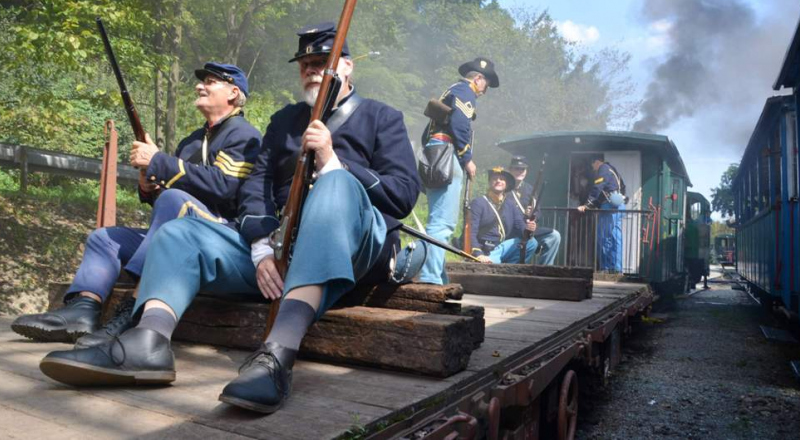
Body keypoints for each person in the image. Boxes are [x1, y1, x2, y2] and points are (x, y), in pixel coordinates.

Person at [38, 21, 421, 416]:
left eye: (321, 60)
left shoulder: (381, 117)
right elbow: (255, 188)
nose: (311, 69)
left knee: (336, 184)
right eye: (305, 63)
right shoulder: (284, 121)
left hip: (353, 248)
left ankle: (276, 354)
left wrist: (333, 161)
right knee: (179, 232)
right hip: (282, 250)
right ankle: (148, 342)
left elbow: (402, 195)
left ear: (347, 66)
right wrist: (260, 248)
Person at [12, 62, 261, 347]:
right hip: (180, 232)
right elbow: (166, 197)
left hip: (224, 236)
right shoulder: (191, 141)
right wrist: (148, 183)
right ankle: (82, 310)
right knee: (104, 238)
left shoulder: (245, 135)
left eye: (211, 81)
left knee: (173, 200)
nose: (199, 85)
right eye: (202, 80)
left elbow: (224, 187)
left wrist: (159, 162)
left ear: (232, 92)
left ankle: (131, 310)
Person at [417, 57, 499, 284]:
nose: (486, 90)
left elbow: (427, 134)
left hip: (435, 151)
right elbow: (460, 125)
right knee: (443, 223)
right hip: (447, 153)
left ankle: (437, 274)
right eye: (486, 84)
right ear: (479, 78)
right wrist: (467, 158)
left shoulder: (452, 91)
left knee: (436, 219)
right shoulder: (465, 92)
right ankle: (430, 278)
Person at [468, 167, 538, 264]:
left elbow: (520, 228)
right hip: (484, 250)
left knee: (531, 242)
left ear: (506, 184)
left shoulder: (510, 205)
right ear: (489, 183)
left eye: (502, 179)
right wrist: (478, 253)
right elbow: (471, 232)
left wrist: (529, 229)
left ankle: (512, 269)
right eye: (494, 179)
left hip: (502, 248)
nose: (498, 181)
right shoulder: (478, 203)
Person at [507, 156, 561, 266]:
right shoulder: (505, 188)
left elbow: (538, 211)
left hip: (528, 229)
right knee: (533, 242)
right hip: (511, 230)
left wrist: (533, 217)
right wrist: (522, 215)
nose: (520, 171)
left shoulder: (530, 189)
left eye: (522, 169)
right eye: (516, 168)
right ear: (510, 170)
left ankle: (544, 270)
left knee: (554, 236)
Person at [577, 156, 626, 272]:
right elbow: (623, 187)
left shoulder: (603, 168)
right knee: (616, 239)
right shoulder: (613, 170)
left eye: (593, 165)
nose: (593, 168)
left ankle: (606, 268)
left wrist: (587, 204)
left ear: (597, 162)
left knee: (603, 237)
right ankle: (617, 269)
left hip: (609, 207)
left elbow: (598, 187)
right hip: (619, 206)